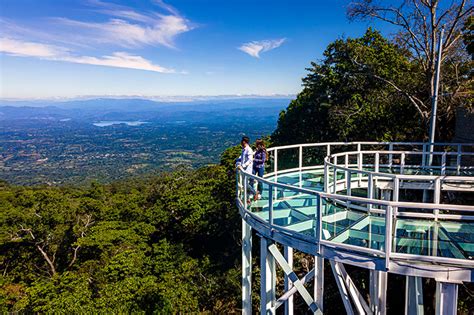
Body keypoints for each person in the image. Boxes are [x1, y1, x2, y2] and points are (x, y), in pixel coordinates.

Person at [236, 136, 254, 203]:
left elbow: (250, 160)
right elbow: (242, 158)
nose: (241, 142)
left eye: (242, 141)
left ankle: (254, 193)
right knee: (245, 184)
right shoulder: (244, 149)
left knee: (245, 184)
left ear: (244, 142)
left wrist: (243, 165)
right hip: (244, 170)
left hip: (247, 170)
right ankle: (248, 198)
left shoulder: (249, 150)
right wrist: (238, 161)